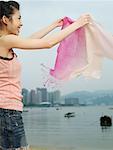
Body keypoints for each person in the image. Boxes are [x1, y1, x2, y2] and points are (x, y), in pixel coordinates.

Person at [0, 0, 91, 149]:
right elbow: (48, 43)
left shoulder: (5, 42)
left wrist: (53, 25)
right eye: (19, 18)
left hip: (6, 112)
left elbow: (29, 40)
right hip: (8, 112)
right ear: (5, 20)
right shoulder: (5, 40)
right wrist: (78, 24)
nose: (21, 23)